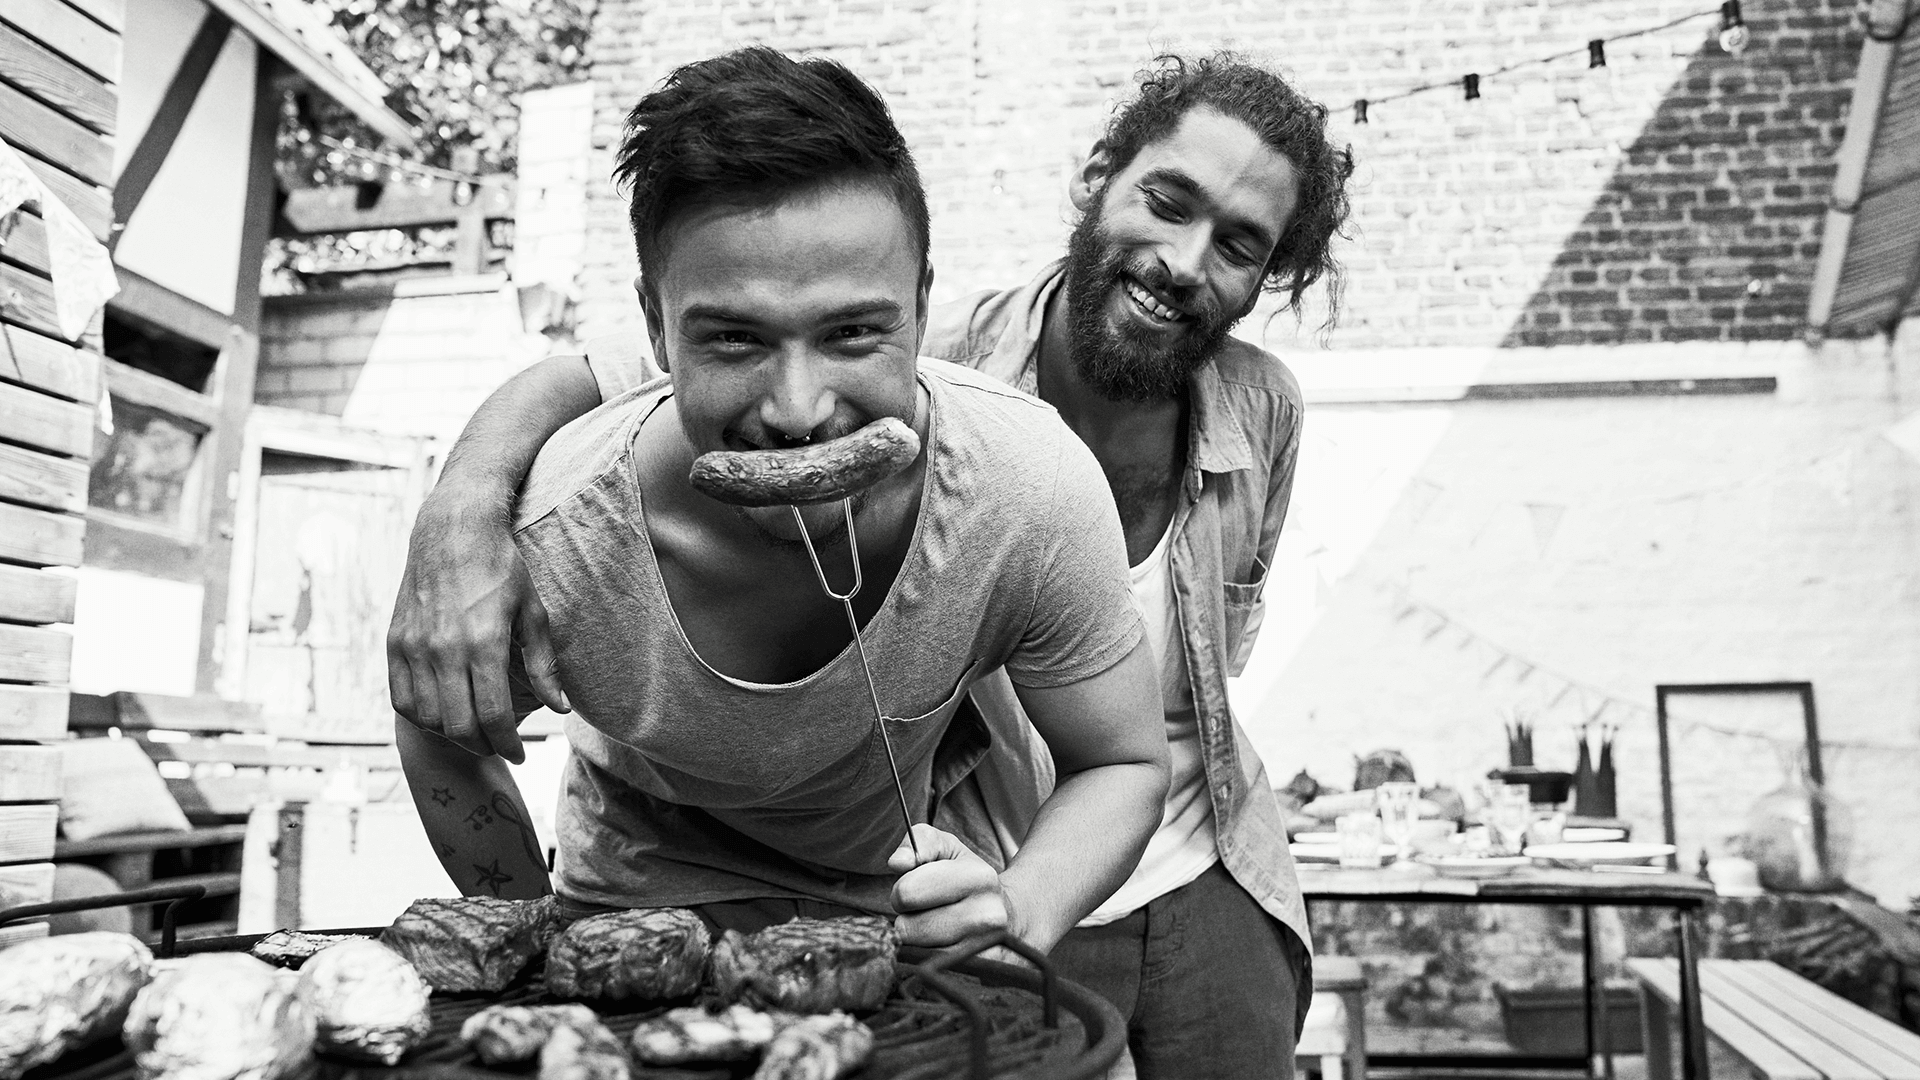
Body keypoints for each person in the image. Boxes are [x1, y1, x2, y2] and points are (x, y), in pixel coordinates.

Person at [390, 50, 1352, 1078]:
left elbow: (1129, 754)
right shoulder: (571, 516)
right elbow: (598, 394)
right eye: (733, 340)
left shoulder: (1068, 460)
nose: (799, 410)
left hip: (1031, 884)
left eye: (854, 334)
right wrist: (458, 508)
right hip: (704, 897)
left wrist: (1023, 904)